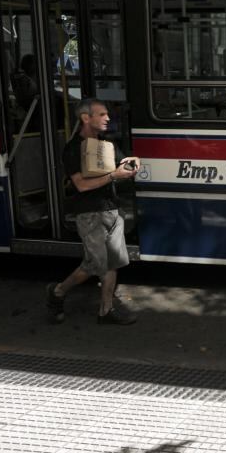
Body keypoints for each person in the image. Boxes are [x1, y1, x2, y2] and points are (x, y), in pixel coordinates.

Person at [46, 98, 139, 325]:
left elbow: (124, 161)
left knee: (112, 263)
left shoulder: (106, 144)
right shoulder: (73, 149)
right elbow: (82, 185)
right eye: (102, 114)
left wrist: (134, 161)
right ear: (86, 118)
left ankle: (105, 311)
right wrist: (113, 176)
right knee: (95, 264)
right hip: (89, 213)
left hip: (111, 209)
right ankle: (58, 291)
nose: (108, 118)